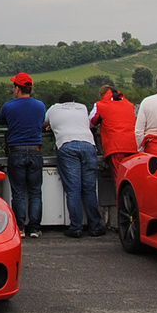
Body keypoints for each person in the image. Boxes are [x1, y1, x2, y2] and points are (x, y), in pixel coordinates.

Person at [45, 91, 106, 237]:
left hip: (67, 145)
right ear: (73, 101)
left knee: (73, 189)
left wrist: (51, 126)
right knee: (89, 189)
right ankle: (95, 226)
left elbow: (45, 123)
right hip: (88, 145)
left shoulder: (53, 109)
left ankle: (76, 227)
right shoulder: (82, 107)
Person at [0, 73, 47, 238]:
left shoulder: (8, 106)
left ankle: (20, 227)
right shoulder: (40, 106)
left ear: (17, 88)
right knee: (35, 191)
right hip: (36, 150)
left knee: (18, 192)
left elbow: (1, 120)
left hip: (16, 150)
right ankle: (34, 228)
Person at [90, 85, 139, 173]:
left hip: (115, 147)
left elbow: (91, 122)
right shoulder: (130, 105)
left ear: (102, 95)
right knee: (131, 177)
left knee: (119, 177)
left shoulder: (101, 105)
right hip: (133, 146)